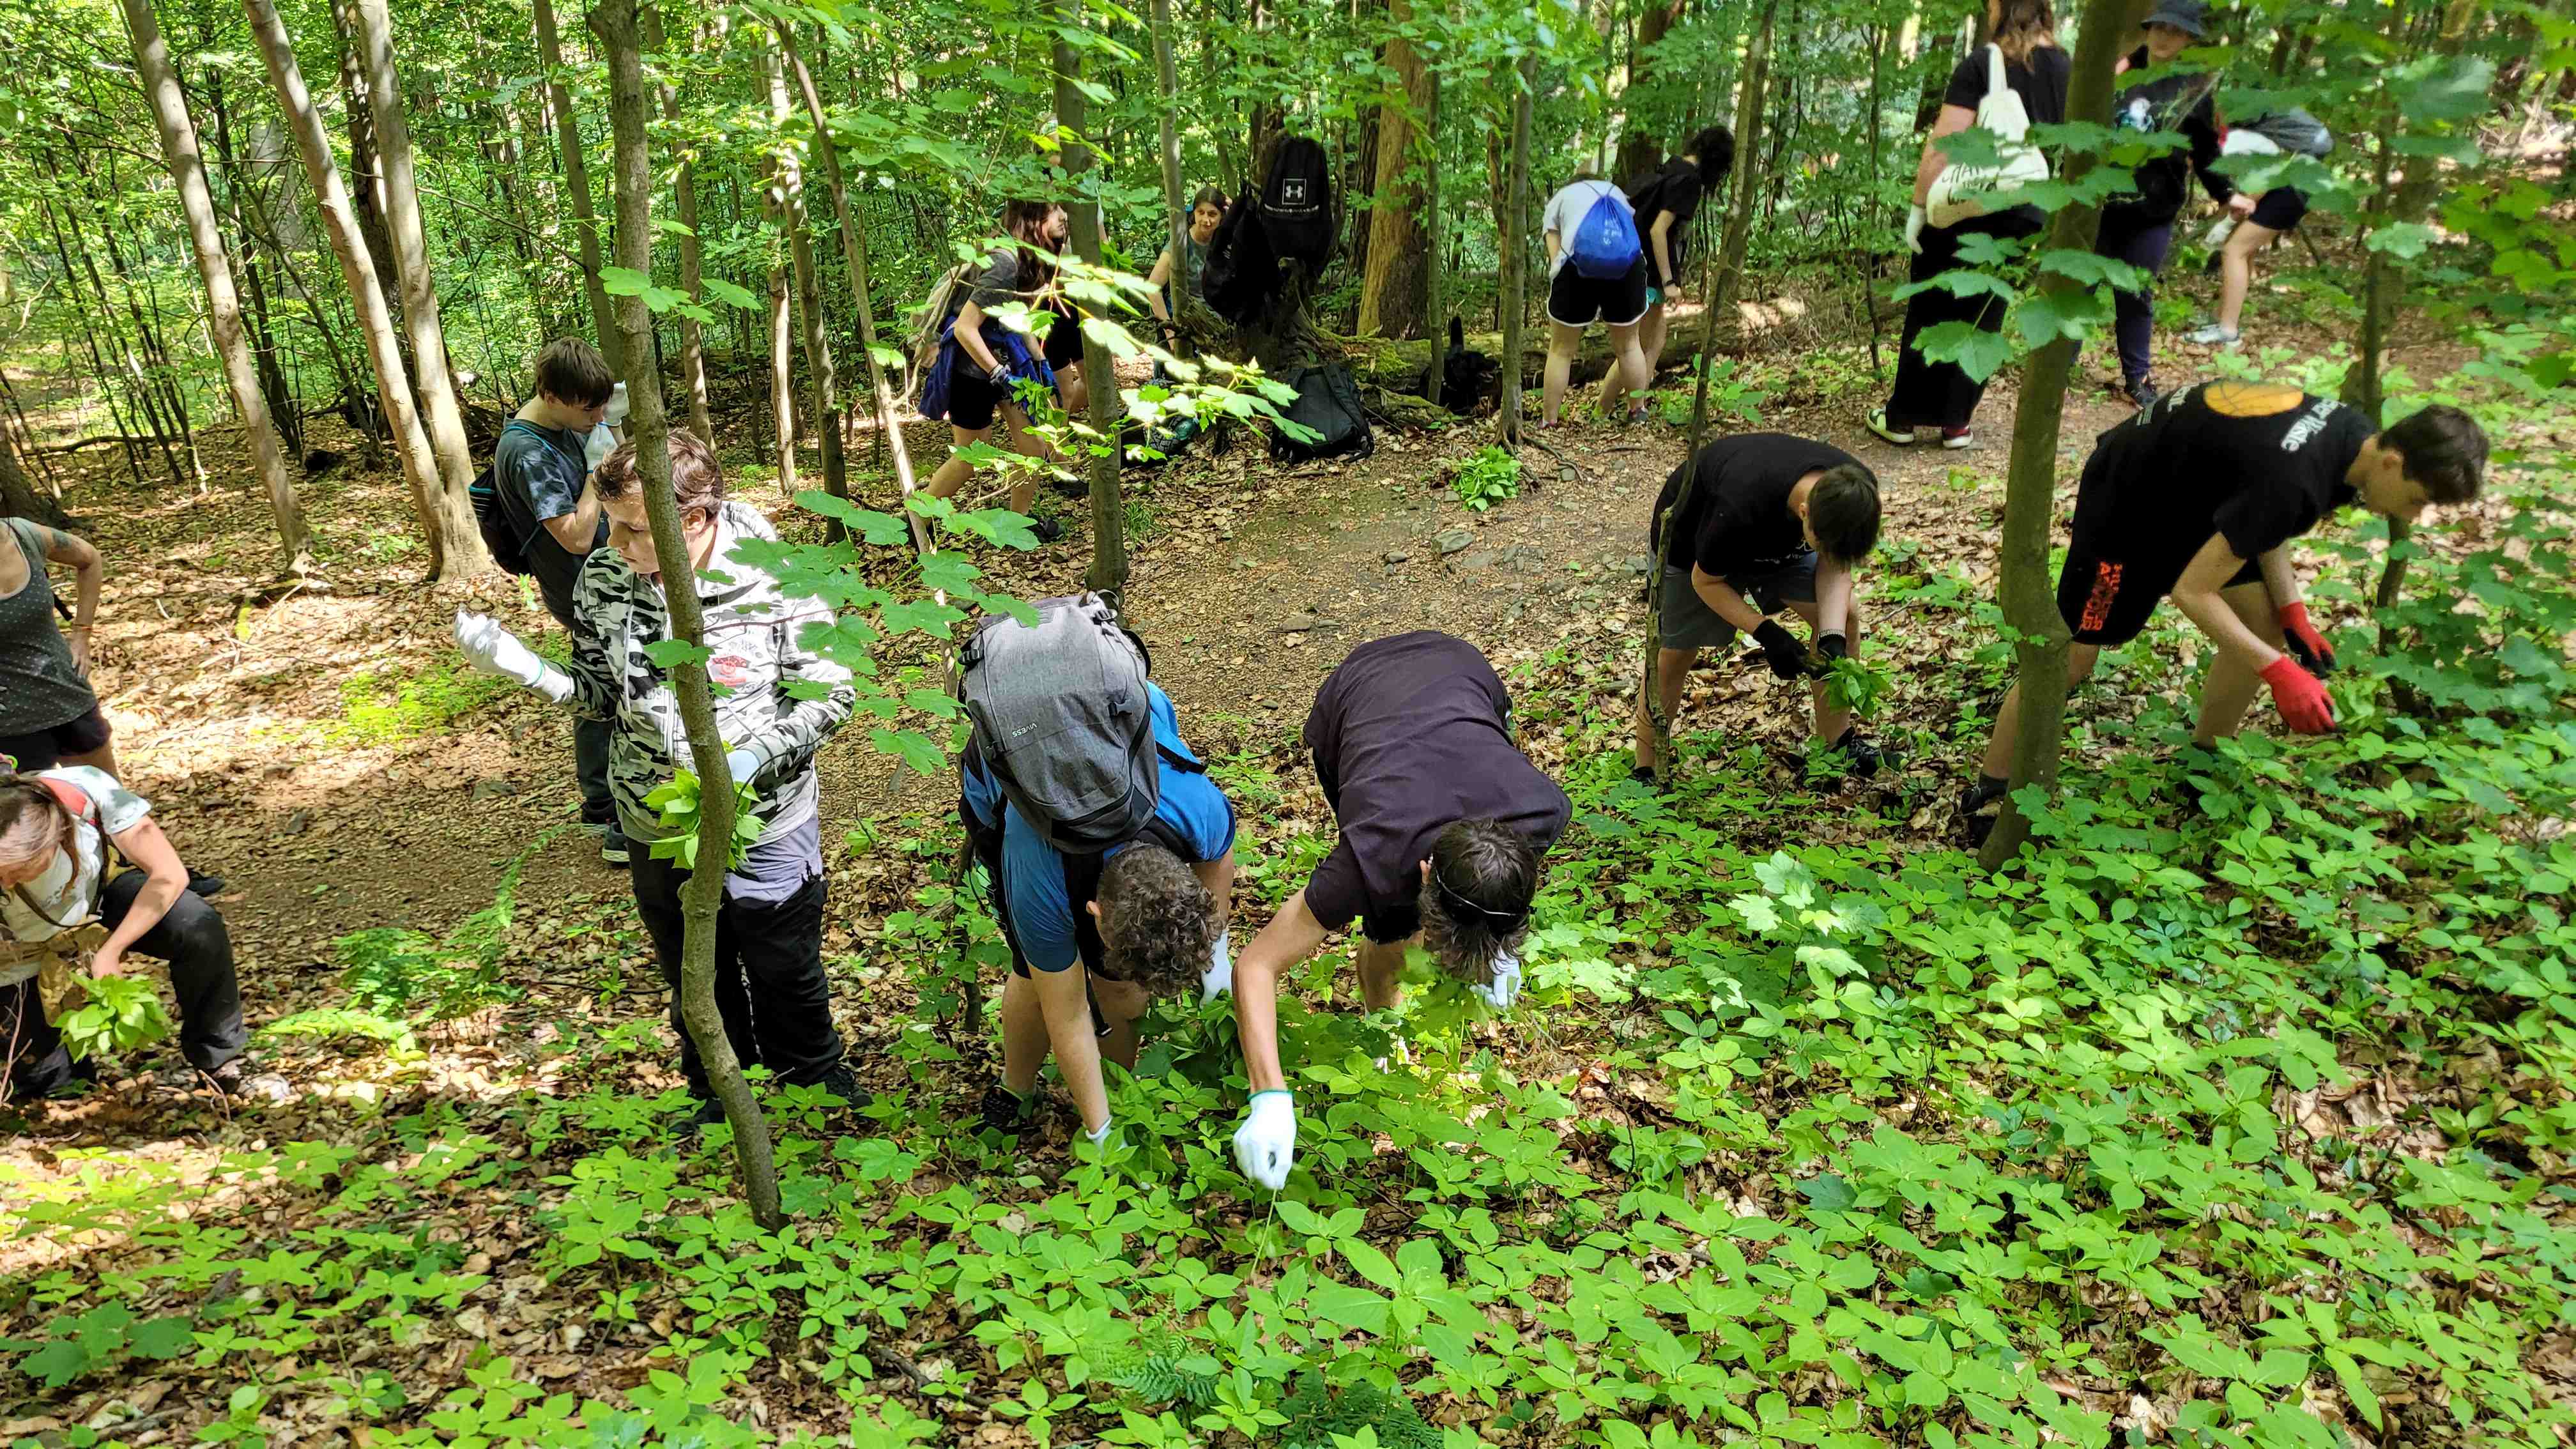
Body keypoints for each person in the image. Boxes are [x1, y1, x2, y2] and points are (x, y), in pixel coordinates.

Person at [454, 430, 862, 1118]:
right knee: (692, 969)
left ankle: (814, 1083)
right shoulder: (608, 575)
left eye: (634, 529)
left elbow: (831, 692)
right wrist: (529, 669)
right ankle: (719, 1090)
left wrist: (753, 756)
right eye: (611, 522)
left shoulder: (776, 572)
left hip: (766, 817)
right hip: (653, 814)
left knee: (783, 962)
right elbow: (600, 695)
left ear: (693, 520)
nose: (614, 544)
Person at [1959, 384, 2488, 838]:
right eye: (2418, 500)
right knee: (2071, 659)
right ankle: (1993, 786)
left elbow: (2265, 520)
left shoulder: (2354, 443)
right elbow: (2194, 592)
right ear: (2394, 463)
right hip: (2129, 502)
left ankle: (2204, 762)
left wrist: (2292, 610)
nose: (2415, 517)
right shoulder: (2303, 475)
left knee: (2263, 623)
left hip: (2195, 497)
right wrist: (2278, 672)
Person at [1226, 632, 1570, 1191]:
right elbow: (1256, 966)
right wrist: (1269, 1097)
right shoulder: (1371, 857)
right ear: (1426, 873)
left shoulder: (1543, 812)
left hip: (1461, 668)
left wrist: (1499, 951)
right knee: (1391, 923)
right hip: (1353, 696)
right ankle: (1381, 1026)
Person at [963, 681, 1236, 1144]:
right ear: (1093, 911)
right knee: (1035, 974)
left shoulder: (1201, 812)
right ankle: (1018, 1085)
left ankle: (1116, 1089)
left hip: (1121, 710)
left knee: (1123, 990)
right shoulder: (1040, 880)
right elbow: (1066, 1013)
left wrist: (1218, 967)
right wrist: (1101, 1134)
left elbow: (1218, 880)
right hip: (1008, 784)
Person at [0, 764, 274, 1103]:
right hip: (15, 951)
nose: (7, 884)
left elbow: (169, 874)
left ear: (53, 841)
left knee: (196, 925)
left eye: (18, 871)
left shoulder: (83, 791)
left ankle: (221, 1058)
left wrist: (111, 950)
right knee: (55, 1091)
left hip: (96, 899)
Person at [1869, 0, 2068, 450]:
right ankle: (1956, 422)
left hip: (1967, 203)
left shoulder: (1988, 62)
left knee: (1933, 305)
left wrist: (1919, 209)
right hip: (2027, 208)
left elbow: (1945, 146)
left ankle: (1902, 419)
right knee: (1985, 313)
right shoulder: (2068, 66)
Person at [1632, 435, 1887, 783]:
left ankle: (1837, 745)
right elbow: (1706, 582)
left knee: (1845, 617)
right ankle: (1646, 767)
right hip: (1693, 543)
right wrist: (1767, 633)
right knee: (1675, 652)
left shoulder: (1854, 494)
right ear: (1804, 514)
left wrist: (1831, 637)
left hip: (1775, 539)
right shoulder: (1739, 505)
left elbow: (1835, 563)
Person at [493, 337, 624, 863]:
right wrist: (598, 474)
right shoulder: (527, 452)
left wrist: (605, 431)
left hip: (599, 579)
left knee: (603, 682)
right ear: (549, 394)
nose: (595, 416)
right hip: (579, 587)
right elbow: (572, 534)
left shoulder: (564, 426)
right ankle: (615, 811)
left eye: (599, 405)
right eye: (586, 408)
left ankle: (600, 802)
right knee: (614, 691)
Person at [2096, 0, 2232, 409]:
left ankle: (2136, 377)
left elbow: (2206, 152)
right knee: (2078, 285)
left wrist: (2228, 193)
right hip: (2100, 203)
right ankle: (2055, 364)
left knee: (2135, 293)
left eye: (2173, 31)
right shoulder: (2117, 73)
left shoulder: (2194, 89)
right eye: (2158, 28)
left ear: (2188, 38)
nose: (2163, 37)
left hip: (2153, 209)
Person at [922, 201, 1064, 542]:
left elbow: (1014, 319)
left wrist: (1039, 364)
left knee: (1033, 447)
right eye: (1055, 212)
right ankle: (916, 520)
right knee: (971, 458)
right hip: (971, 371)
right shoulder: (1004, 262)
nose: (1064, 217)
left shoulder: (1030, 259)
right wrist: (999, 372)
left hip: (1007, 362)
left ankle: (1019, 523)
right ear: (1031, 219)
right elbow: (965, 329)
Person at [1607, 126, 1735, 399]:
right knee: (1635, 347)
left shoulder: (1671, 167)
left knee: (1655, 339)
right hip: (1645, 270)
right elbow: (1658, 231)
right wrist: (1668, 283)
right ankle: (1603, 410)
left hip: (1628, 260)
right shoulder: (1689, 183)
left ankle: (1637, 402)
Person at [0, 514, 111, 776]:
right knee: (36, 816)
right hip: (9, 729)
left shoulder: (24, 535)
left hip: (69, 698)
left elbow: (90, 559)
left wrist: (82, 633)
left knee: (110, 809)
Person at [1538, 172, 1650, 429]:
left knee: (1561, 350)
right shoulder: (1617, 194)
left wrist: (1558, 276)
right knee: (1629, 345)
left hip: (1577, 267)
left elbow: (1554, 249)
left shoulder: (1562, 197)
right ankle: (1637, 412)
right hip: (1628, 268)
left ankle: (1550, 422)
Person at [2188, 136, 2305, 349]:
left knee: (2234, 251)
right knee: (2242, 250)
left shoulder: (2240, 135)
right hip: (2283, 191)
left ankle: (2228, 331)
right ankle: (2221, 319)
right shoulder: (2226, 140)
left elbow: (2263, 181)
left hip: (2287, 192)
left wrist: (2228, 222)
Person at [1146, 187, 1228, 331]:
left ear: (1222, 216)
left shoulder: (1226, 241)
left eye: (1213, 214)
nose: (1206, 220)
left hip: (1221, 323)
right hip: (1189, 324)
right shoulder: (1180, 244)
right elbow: (1152, 287)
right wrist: (1171, 334)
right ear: (1194, 212)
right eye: (1201, 213)